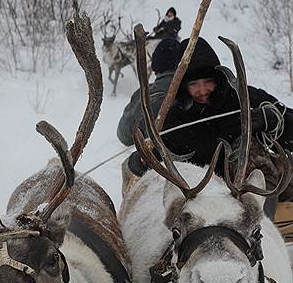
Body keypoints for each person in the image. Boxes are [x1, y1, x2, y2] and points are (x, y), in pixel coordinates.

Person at [126, 36, 293, 183]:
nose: (202, 90)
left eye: (208, 82)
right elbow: (161, 153)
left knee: (245, 147)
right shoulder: (175, 118)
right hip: (204, 199)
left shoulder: (245, 98)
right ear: (183, 86)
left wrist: (272, 121)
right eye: (193, 84)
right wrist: (143, 160)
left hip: (256, 193)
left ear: (218, 79)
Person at [117, 38, 181, 146]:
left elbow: (124, 135)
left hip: (156, 158)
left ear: (155, 68)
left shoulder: (144, 94)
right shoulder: (198, 90)